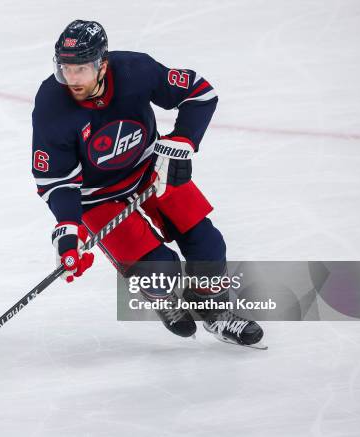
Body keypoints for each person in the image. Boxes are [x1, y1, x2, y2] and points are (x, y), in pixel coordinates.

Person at [31, 20, 264, 347]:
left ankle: (214, 310)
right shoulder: (52, 104)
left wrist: (183, 141)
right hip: (97, 199)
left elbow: (199, 93)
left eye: (81, 68)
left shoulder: (134, 70)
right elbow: (56, 180)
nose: (72, 79)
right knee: (159, 272)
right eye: (65, 68)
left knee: (208, 245)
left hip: (151, 173)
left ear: (102, 64)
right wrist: (68, 228)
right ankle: (164, 297)